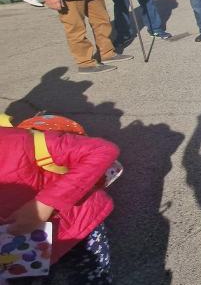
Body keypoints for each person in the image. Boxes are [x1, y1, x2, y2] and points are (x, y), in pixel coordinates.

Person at [1, 115, 119, 283]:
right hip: (22, 246)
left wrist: (44, 204)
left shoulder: (15, 142)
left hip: (78, 226)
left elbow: (101, 150)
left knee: (92, 276)